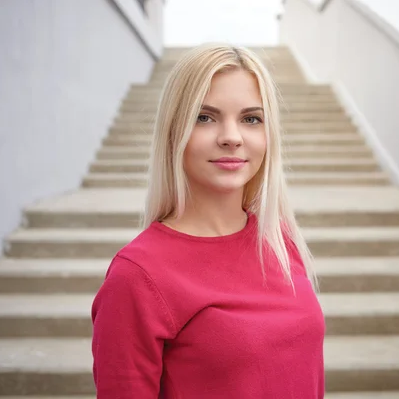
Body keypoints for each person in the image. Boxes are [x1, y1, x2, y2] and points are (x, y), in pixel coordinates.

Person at [91, 43, 325, 398]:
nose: (231, 137)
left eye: (251, 118)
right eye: (205, 117)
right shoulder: (137, 275)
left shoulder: (279, 240)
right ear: (175, 132)